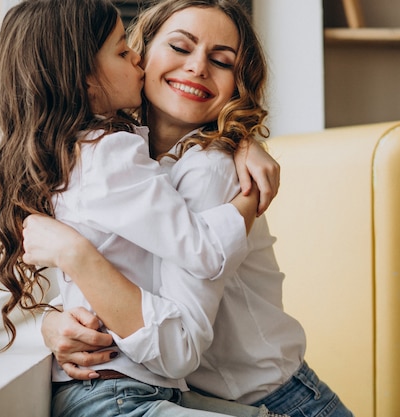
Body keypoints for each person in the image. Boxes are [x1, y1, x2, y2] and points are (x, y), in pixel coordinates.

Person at [23, 1, 354, 417]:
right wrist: (53, 323)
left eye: (221, 60)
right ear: (139, 55)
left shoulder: (210, 168)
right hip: (192, 396)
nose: (198, 67)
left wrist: (242, 166)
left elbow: (177, 335)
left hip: (273, 399)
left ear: (238, 84)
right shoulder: (121, 157)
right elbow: (116, 269)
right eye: (180, 47)